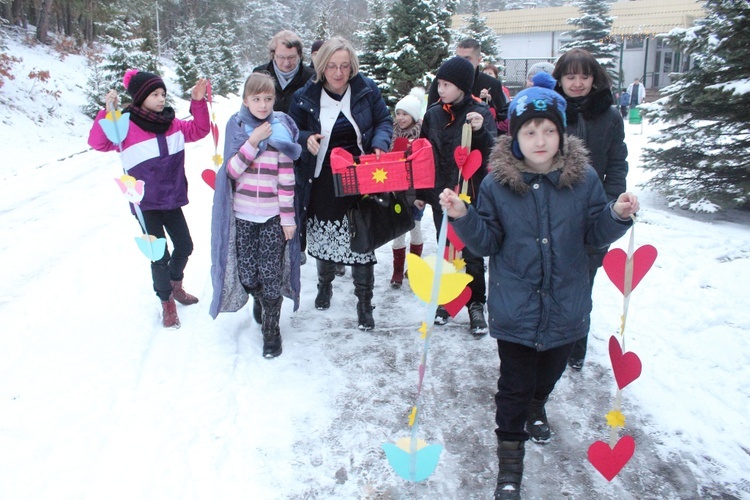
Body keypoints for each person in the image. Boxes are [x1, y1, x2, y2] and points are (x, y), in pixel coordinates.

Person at [438, 71, 639, 499]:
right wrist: (463, 216)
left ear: (561, 134)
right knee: (513, 386)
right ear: (516, 137)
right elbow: (488, 241)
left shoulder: (583, 183)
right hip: (516, 308)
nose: (541, 139)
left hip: (567, 306)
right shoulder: (495, 185)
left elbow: (594, 233)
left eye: (549, 130)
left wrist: (617, 215)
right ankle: (510, 465)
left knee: (546, 377)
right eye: (531, 131)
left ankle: (537, 405)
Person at [88, 70, 209, 329]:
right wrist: (107, 112)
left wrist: (198, 102)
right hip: (146, 204)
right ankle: (166, 302)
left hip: (172, 199)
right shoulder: (125, 126)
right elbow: (97, 142)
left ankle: (175, 284)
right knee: (159, 255)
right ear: (141, 97)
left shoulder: (173, 124)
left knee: (185, 246)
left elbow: (200, 130)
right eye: (155, 94)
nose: (161, 99)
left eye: (163, 94)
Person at [288, 37, 393, 330]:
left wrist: (380, 144)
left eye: (345, 66)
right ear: (322, 67)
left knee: (362, 239)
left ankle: (364, 302)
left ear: (352, 66)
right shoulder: (305, 95)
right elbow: (291, 129)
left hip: (359, 177)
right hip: (322, 178)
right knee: (325, 239)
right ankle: (325, 284)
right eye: (332, 66)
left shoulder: (366, 89)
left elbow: (384, 121)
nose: (338, 73)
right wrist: (304, 138)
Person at [209, 73, 302, 358]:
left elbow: (287, 180)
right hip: (244, 216)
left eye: (268, 99)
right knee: (249, 275)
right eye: (257, 99)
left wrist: (288, 218)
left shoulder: (281, 129)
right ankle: (259, 299)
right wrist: (253, 141)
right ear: (246, 100)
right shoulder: (237, 127)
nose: (263, 105)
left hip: (273, 217)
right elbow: (231, 172)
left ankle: (271, 332)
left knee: (271, 274)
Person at [552, 48, 629, 371]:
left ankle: (576, 342)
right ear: (560, 79)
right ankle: (553, 337)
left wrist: (609, 204)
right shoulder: (551, 110)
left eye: (585, 76)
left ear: (594, 78)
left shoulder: (609, 115)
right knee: (554, 275)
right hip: (554, 210)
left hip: (594, 213)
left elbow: (617, 163)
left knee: (585, 280)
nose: (578, 83)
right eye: (571, 76)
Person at [417, 56, 497, 335]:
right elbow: (423, 154)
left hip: (470, 196)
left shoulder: (479, 114)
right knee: (446, 248)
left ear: (463, 86)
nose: (440, 90)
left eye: (446, 84)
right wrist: (420, 192)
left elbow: (493, 152)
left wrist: (480, 130)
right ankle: (448, 299)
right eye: (438, 84)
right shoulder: (433, 114)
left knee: (472, 251)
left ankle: (476, 303)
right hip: (442, 194)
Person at [390, 88, 426, 287]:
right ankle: (397, 270)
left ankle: (414, 267)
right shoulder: (392, 134)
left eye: (405, 114)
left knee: (416, 229)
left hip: (416, 192)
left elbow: (425, 165)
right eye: (398, 113)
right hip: (397, 192)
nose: (401, 118)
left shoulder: (422, 135)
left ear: (414, 115)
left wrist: (422, 194)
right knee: (398, 233)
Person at [428, 38, 508, 122]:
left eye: (467, 58)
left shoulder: (491, 84)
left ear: (478, 60)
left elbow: (502, 120)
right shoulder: (441, 82)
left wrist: (489, 104)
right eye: (458, 58)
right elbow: (430, 115)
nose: (461, 62)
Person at [253, 30, 315, 113]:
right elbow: (249, 107)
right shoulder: (259, 74)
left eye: (291, 57)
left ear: (299, 55)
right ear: (273, 55)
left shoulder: (312, 77)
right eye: (281, 57)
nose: (286, 63)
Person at [482, 63, 511, 134]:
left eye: (490, 73)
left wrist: (491, 100)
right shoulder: (480, 88)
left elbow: (505, 107)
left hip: (497, 125)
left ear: (495, 76)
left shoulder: (502, 90)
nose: (487, 76)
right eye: (485, 73)